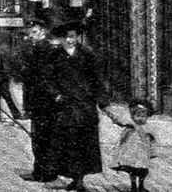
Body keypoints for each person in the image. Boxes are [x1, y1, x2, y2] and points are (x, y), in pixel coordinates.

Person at [47, 20, 105, 192]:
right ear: (62, 39)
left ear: (77, 37)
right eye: (66, 37)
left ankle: (79, 178)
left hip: (84, 105)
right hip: (64, 106)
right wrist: (55, 94)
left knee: (83, 143)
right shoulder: (55, 55)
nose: (69, 40)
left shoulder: (87, 55)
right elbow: (47, 78)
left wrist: (102, 101)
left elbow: (96, 79)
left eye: (72, 37)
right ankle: (72, 176)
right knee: (66, 142)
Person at [19, 18, 58, 183]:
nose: (31, 36)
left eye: (34, 32)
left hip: (44, 101)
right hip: (38, 100)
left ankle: (43, 173)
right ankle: (44, 171)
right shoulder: (37, 48)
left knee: (42, 138)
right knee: (41, 137)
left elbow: (44, 77)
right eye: (30, 33)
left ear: (43, 32)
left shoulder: (45, 49)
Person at [107, 97, 159, 192]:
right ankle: (134, 185)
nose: (140, 116)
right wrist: (108, 113)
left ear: (147, 115)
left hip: (143, 154)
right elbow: (119, 120)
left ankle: (141, 185)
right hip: (131, 153)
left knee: (144, 170)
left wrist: (153, 152)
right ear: (132, 115)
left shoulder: (148, 128)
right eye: (137, 113)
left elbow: (152, 141)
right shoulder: (131, 125)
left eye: (143, 114)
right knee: (133, 170)